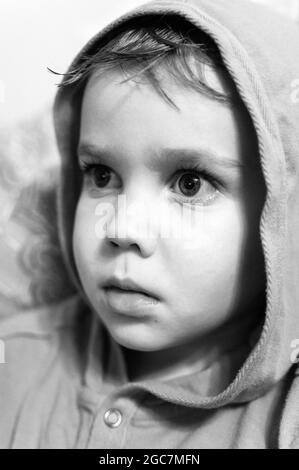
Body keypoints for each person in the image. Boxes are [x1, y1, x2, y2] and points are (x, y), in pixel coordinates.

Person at [1, 0, 299, 449]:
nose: (122, 228)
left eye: (191, 184)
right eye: (101, 174)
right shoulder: (12, 361)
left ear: (284, 215)